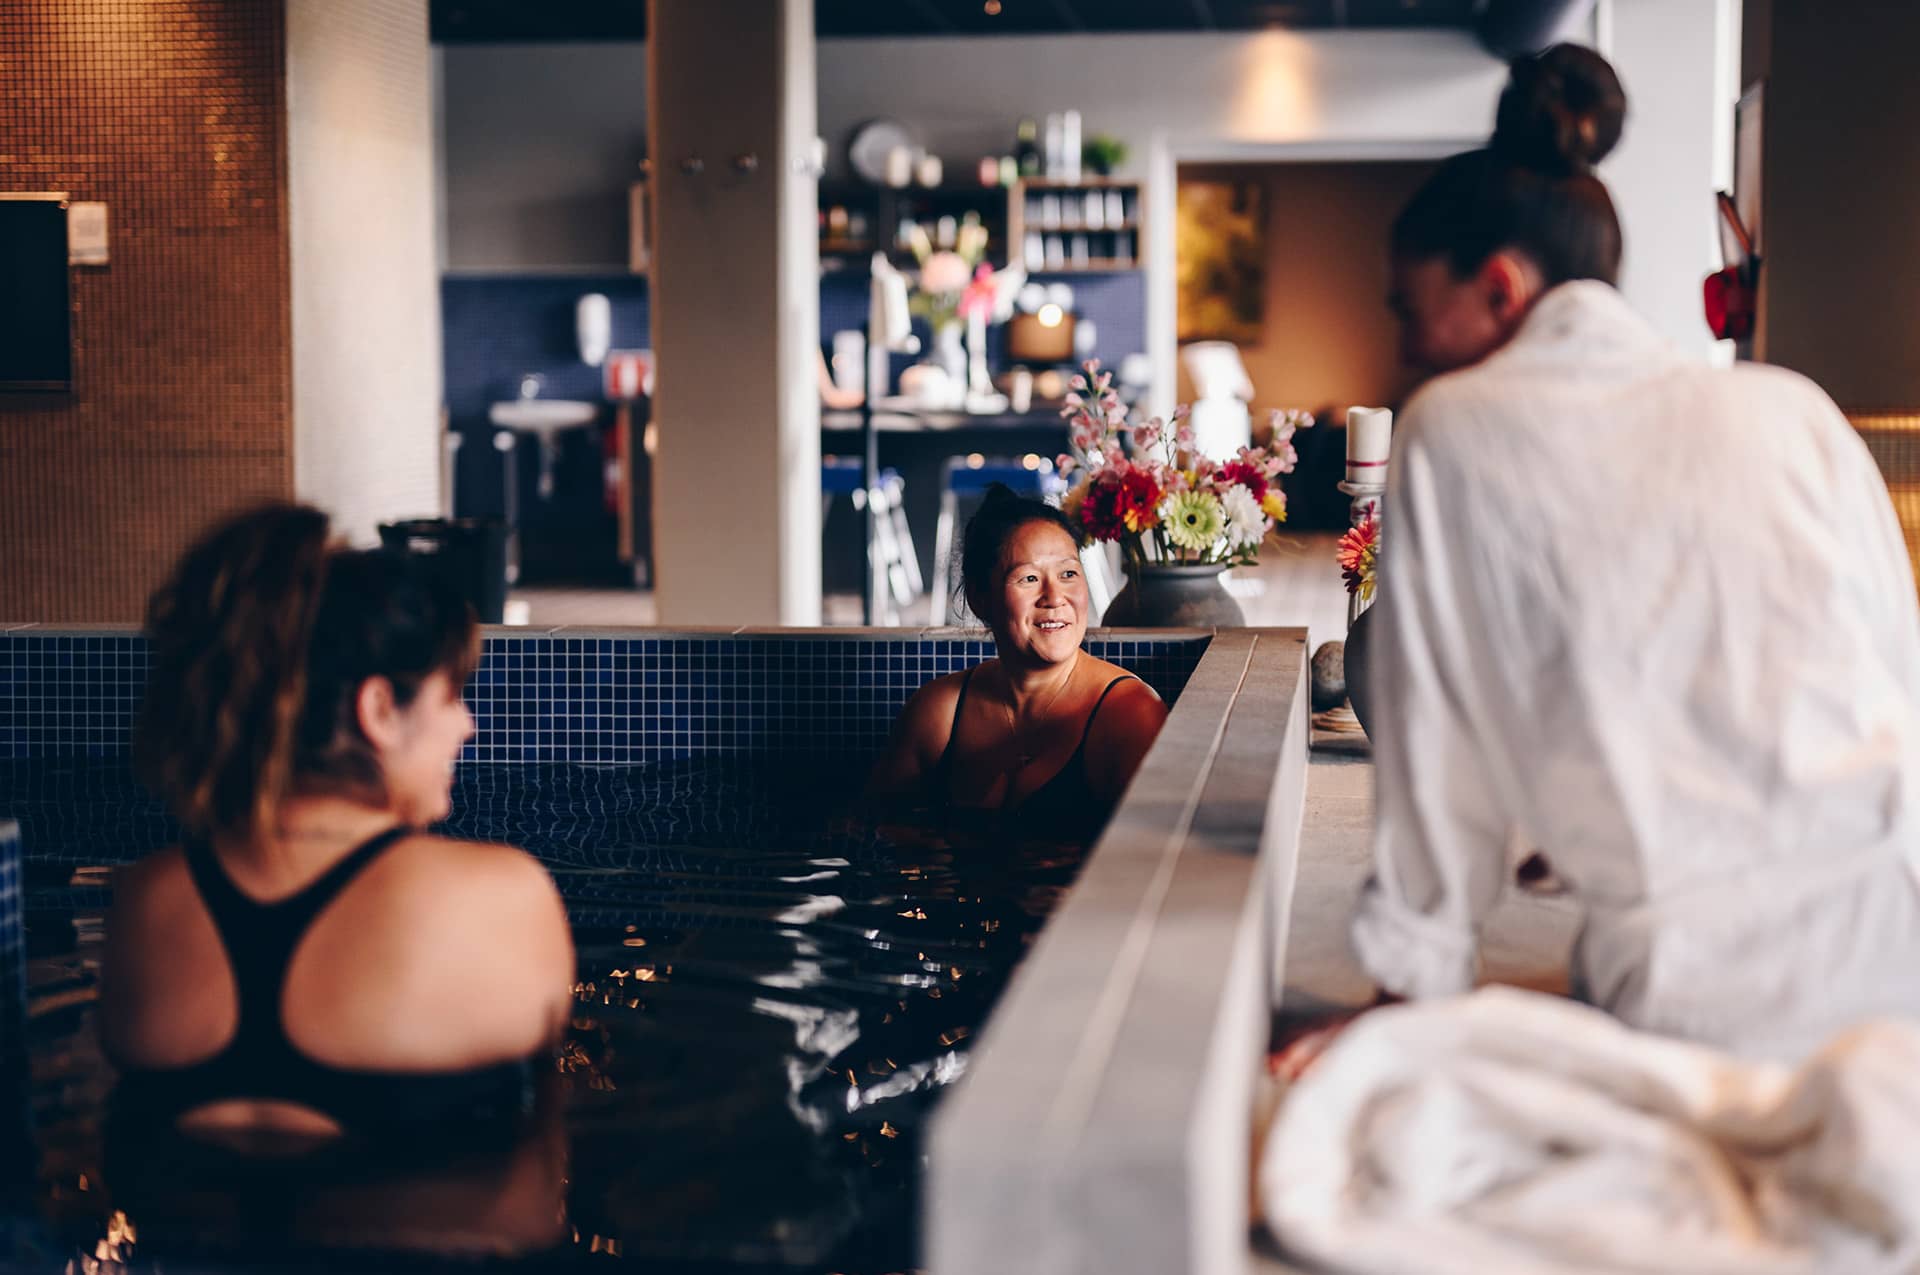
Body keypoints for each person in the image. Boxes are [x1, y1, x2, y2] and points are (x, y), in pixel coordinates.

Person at [1351, 43, 1920, 1062]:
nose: (1402, 346)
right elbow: (1890, 668)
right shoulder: (1789, 407)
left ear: (1500, 287)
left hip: (1702, 1000)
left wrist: (1407, 1002)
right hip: (1897, 940)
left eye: (1406, 307)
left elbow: (1434, 747)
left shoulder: (1453, 424)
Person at [100, 504, 575, 1138]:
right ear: (379, 709)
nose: (468, 725)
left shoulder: (146, 899)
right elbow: (555, 1135)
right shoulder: (500, 894)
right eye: (453, 694)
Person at [869, 485, 1166, 838]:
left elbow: (1153, 863)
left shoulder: (1130, 714)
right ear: (981, 599)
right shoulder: (940, 713)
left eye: (1068, 574)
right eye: (1028, 578)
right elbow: (868, 834)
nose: (1055, 598)